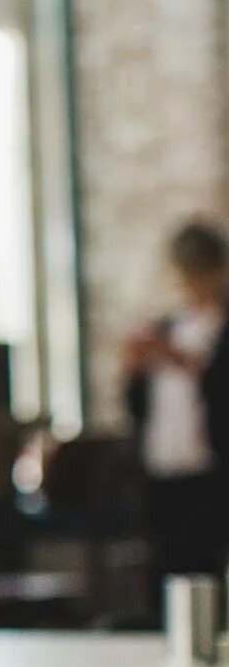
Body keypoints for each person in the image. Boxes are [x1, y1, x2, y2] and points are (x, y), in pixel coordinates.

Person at [124, 221, 229, 588]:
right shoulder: (166, 328)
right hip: (164, 466)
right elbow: (142, 404)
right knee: (165, 568)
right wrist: (134, 370)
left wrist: (191, 367)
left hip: (212, 470)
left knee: (207, 568)